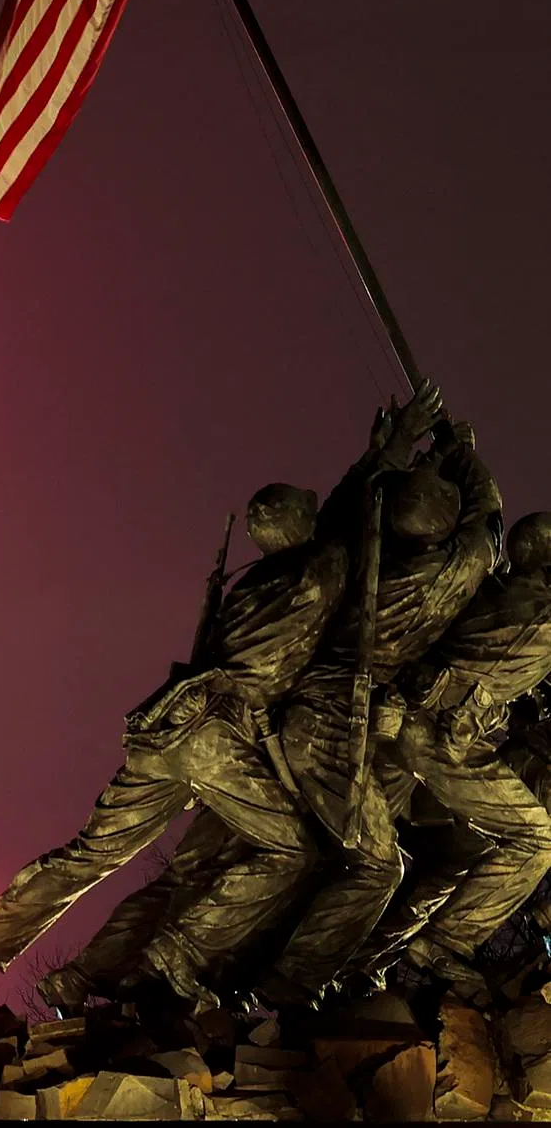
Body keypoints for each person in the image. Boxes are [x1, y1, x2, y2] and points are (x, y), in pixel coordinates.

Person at [0, 386, 443, 1014]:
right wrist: (387, 453)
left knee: (92, 853)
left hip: (165, 726)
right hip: (213, 736)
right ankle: (177, 959)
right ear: (299, 529)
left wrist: (384, 451)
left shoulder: (254, 582)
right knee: (293, 849)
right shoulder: (317, 571)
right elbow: (348, 516)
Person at [144, 412, 504, 1008]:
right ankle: (285, 983)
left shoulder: (351, 554)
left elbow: (336, 512)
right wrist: (462, 451)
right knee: (376, 866)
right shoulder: (443, 574)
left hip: (297, 719)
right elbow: (488, 523)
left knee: (303, 851)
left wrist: (388, 453)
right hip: (340, 726)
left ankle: (235, 971)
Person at [346, 512, 551, 997]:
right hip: (440, 738)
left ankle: (360, 962)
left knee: (429, 869)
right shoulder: (542, 609)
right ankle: (445, 943)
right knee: (537, 838)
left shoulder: (494, 594)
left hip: (414, 729)